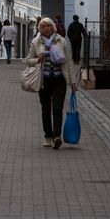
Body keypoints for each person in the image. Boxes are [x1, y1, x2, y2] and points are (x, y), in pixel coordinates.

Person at [25, 16, 77, 149]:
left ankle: (57, 136)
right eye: (44, 26)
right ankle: (48, 136)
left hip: (59, 79)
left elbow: (69, 62)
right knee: (45, 109)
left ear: (53, 27)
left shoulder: (61, 41)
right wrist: (37, 59)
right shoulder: (36, 42)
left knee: (57, 108)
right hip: (44, 81)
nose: (46, 28)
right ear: (40, 29)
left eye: (49, 26)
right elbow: (28, 60)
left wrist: (72, 81)